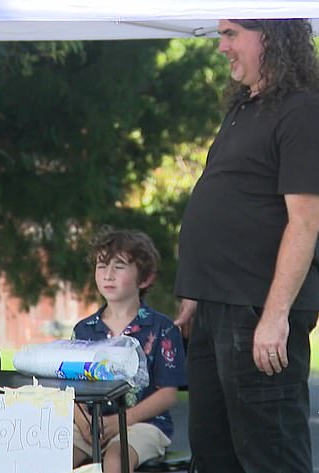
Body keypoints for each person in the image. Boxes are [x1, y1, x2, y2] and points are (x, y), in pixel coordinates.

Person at [174, 19, 319, 473]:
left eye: (232, 33)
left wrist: (276, 317)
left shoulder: (302, 111)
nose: (221, 47)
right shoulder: (244, 107)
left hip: (258, 313)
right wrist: (199, 297)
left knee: (270, 455)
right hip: (216, 308)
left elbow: (306, 220)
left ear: (271, 36)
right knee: (213, 454)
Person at [72, 228, 186, 473]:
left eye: (119, 266)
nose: (108, 275)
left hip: (143, 425)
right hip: (89, 424)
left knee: (116, 460)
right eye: (102, 266)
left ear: (144, 279)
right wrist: (84, 423)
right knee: (53, 454)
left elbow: (168, 394)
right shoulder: (84, 330)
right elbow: (68, 387)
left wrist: (119, 423)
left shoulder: (163, 329)